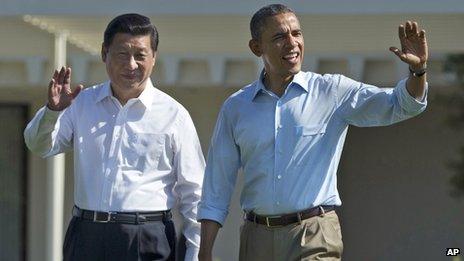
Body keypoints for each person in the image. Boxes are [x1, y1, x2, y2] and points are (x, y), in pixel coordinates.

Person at [197, 4, 428, 261]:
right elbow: (217, 186)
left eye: (296, 33)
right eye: (279, 37)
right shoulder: (236, 107)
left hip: (314, 234)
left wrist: (418, 71)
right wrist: (204, 250)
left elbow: (399, 105)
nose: (292, 43)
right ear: (256, 48)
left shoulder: (332, 91)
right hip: (256, 237)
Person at [24, 13, 205, 261]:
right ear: (104, 53)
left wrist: (195, 253)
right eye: (122, 54)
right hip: (86, 234)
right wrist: (52, 112)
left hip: (148, 237)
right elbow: (39, 146)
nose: (131, 64)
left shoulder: (174, 115)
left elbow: (194, 193)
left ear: (154, 58)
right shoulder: (81, 103)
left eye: (140, 55)